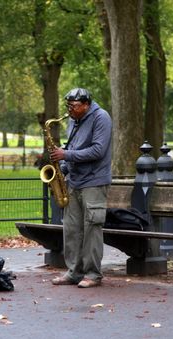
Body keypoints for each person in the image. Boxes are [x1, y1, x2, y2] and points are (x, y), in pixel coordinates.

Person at [49, 87, 112, 288]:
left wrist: (66, 155)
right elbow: (73, 148)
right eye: (69, 106)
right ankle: (73, 272)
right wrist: (63, 170)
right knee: (71, 229)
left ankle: (93, 274)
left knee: (92, 229)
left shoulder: (101, 118)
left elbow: (98, 150)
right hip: (74, 181)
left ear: (86, 104)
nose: (70, 110)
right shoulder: (73, 120)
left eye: (74, 106)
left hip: (94, 181)